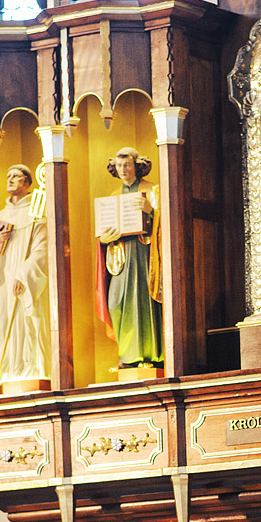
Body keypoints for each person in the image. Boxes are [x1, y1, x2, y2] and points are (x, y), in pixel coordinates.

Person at [0, 164, 49, 393]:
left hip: (25, 282)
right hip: (2, 284)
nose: (10, 179)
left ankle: (30, 369)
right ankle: (9, 371)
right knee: (3, 321)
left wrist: (25, 274)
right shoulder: (1, 217)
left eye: (16, 176)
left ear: (27, 183)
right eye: (8, 176)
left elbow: (43, 250)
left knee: (26, 324)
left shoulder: (37, 214)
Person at [96, 147, 163, 371]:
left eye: (127, 165)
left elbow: (167, 223)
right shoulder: (115, 197)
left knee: (142, 301)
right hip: (121, 256)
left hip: (144, 254)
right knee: (117, 303)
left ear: (137, 166)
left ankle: (148, 355)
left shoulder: (151, 190)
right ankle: (126, 356)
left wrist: (151, 211)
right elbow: (104, 232)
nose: (122, 169)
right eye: (118, 165)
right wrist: (103, 241)